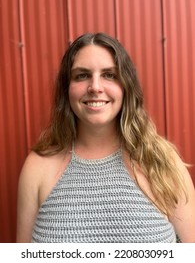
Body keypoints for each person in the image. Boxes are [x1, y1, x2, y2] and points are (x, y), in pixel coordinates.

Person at [16, 32, 195, 243]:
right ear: (67, 90)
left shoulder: (161, 161)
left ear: (126, 86)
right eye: (82, 75)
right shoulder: (38, 167)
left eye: (109, 75)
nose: (95, 87)